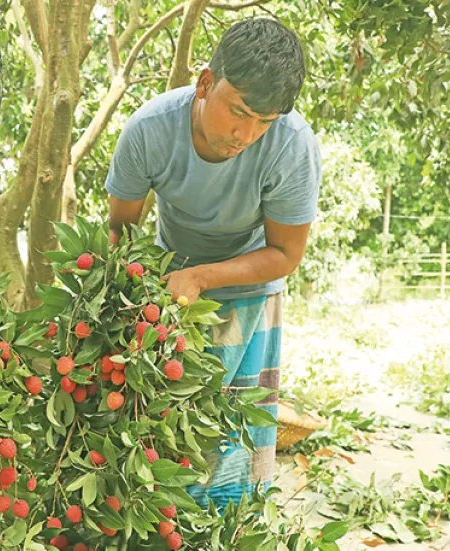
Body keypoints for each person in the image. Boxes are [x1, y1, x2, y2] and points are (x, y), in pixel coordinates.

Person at [105, 18, 321, 511]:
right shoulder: (149, 130)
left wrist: (203, 277)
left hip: (250, 285)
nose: (245, 134)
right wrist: (127, 297)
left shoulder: (291, 144)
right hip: (165, 293)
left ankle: (230, 529)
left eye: (262, 121)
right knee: (160, 435)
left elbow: (286, 254)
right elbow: (121, 231)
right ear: (205, 83)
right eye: (238, 112)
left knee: (233, 445)